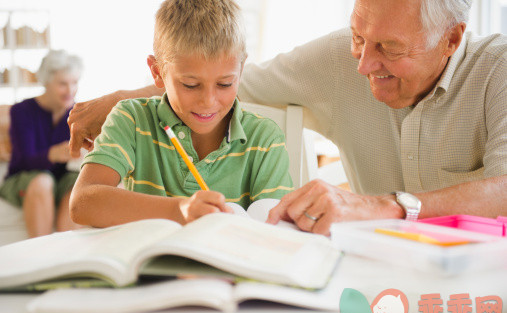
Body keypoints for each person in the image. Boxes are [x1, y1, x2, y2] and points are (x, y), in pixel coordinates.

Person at [68, 0, 506, 234]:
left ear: (451, 39)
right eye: (358, 37)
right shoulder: (338, 59)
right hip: (374, 274)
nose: (362, 65)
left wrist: (383, 206)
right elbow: (239, 81)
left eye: (389, 49)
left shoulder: (497, 71)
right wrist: (119, 99)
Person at [69, 0, 293, 227]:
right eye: (190, 84)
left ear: (241, 70)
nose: (208, 101)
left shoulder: (265, 139)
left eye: (225, 84)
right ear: (157, 72)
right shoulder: (132, 120)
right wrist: (179, 210)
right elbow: (82, 203)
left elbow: (275, 228)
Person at [0, 49, 84, 237]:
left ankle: (67, 253)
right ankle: (43, 255)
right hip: (24, 177)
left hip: (61, 179)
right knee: (43, 181)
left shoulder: (78, 112)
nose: (70, 90)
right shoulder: (22, 111)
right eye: (63, 83)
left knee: (82, 182)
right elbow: (24, 161)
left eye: (74, 83)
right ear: (46, 82)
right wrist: (53, 153)